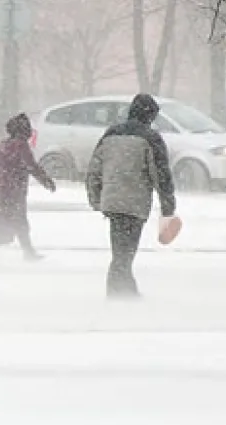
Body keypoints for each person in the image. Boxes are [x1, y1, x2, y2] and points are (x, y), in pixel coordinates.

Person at [85, 93, 177, 298]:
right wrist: (167, 205)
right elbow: (161, 175)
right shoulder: (150, 138)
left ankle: (125, 291)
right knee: (125, 254)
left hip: (111, 201)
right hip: (134, 203)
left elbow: (94, 169)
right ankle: (119, 295)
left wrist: (95, 197)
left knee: (120, 251)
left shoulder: (110, 134)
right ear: (150, 115)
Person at [0, 113, 55, 260]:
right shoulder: (21, 146)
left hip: (2, 189)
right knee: (19, 220)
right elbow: (31, 166)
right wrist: (46, 180)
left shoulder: (2, 145)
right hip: (15, 190)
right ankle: (27, 251)